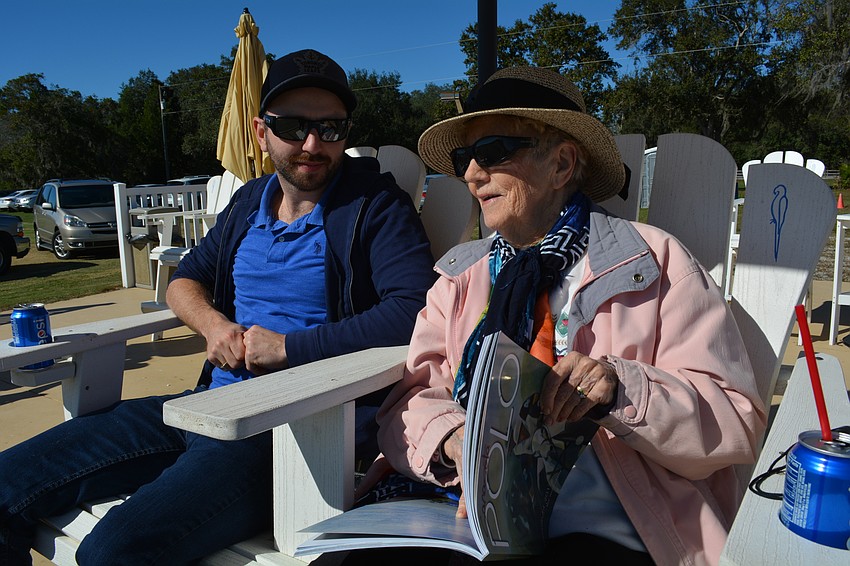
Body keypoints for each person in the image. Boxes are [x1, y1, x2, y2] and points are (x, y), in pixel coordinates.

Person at [0, 49, 437, 565]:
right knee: (7, 485)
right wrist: (212, 325)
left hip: (288, 437)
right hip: (203, 407)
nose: (313, 144)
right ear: (261, 131)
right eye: (294, 126)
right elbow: (185, 280)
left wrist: (289, 348)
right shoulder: (248, 203)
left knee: (113, 553)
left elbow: (411, 310)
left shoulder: (376, 205)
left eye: (332, 128)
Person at [343, 67, 767, 566]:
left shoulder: (654, 263)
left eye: (494, 152)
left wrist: (620, 387)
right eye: (464, 158)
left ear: (562, 163)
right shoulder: (462, 278)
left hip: (609, 526)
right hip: (459, 514)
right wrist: (452, 440)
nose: (472, 175)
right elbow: (411, 399)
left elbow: (736, 421)